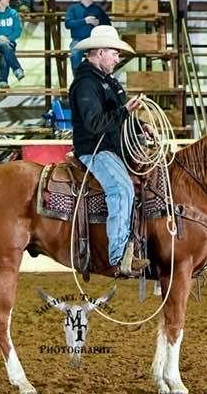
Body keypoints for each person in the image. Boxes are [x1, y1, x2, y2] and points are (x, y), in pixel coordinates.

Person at [69, 25, 149, 278]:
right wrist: (126, 111)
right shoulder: (85, 84)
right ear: (100, 52)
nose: (117, 58)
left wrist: (140, 126)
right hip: (95, 149)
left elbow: (118, 119)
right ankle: (118, 255)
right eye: (114, 53)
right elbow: (94, 124)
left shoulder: (107, 81)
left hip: (112, 148)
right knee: (121, 188)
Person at [65, 0, 111, 74]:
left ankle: (101, 78)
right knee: (75, 55)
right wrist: (85, 21)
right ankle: (78, 77)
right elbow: (68, 24)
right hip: (78, 40)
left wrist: (99, 24)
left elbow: (108, 25)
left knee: (102, 56)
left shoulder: (97, 9)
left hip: (95, 40)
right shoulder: (73, 8)